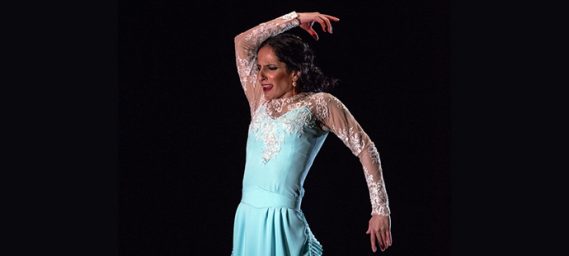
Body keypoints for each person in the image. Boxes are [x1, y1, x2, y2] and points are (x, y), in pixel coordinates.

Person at [232, 11, 392, 255]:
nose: (261, 75)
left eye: (271, 68)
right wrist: (295, 19)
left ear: (295, 73)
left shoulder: (319, 104)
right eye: (261, 67)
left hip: (282, 223)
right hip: (247, 220)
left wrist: (380, 210)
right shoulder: (259, 100)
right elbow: (242, 42)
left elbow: (366, 149)